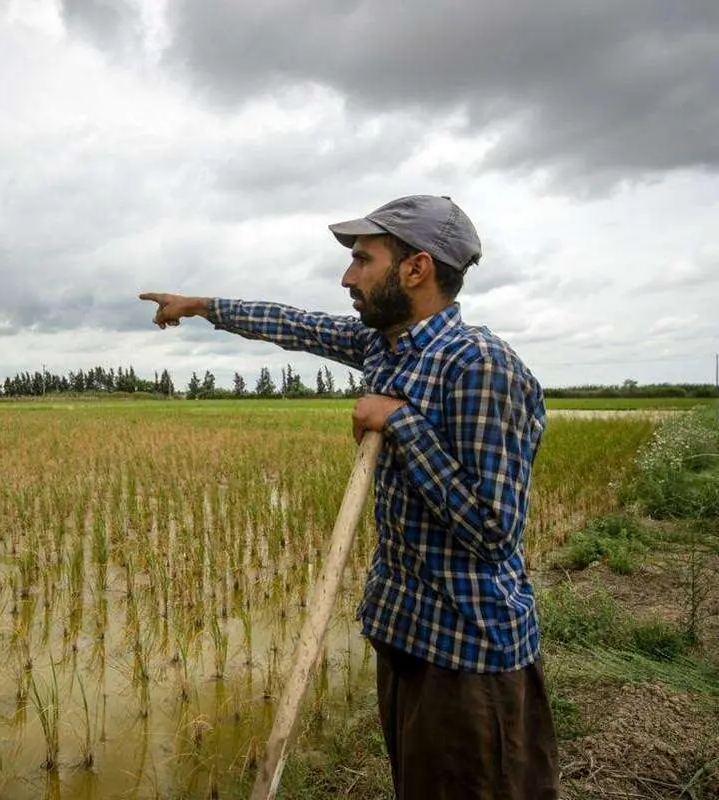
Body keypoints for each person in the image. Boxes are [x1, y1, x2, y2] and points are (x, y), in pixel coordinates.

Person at [139, 195, 559, 799]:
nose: (347, 277)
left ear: (415, 268)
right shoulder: (385, 345)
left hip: (467, 657)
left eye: (362, 260)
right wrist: (202, 306)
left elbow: (494, 532)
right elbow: (295, 325)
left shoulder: (478, 366)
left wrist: (401, 423)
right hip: (407, 634)